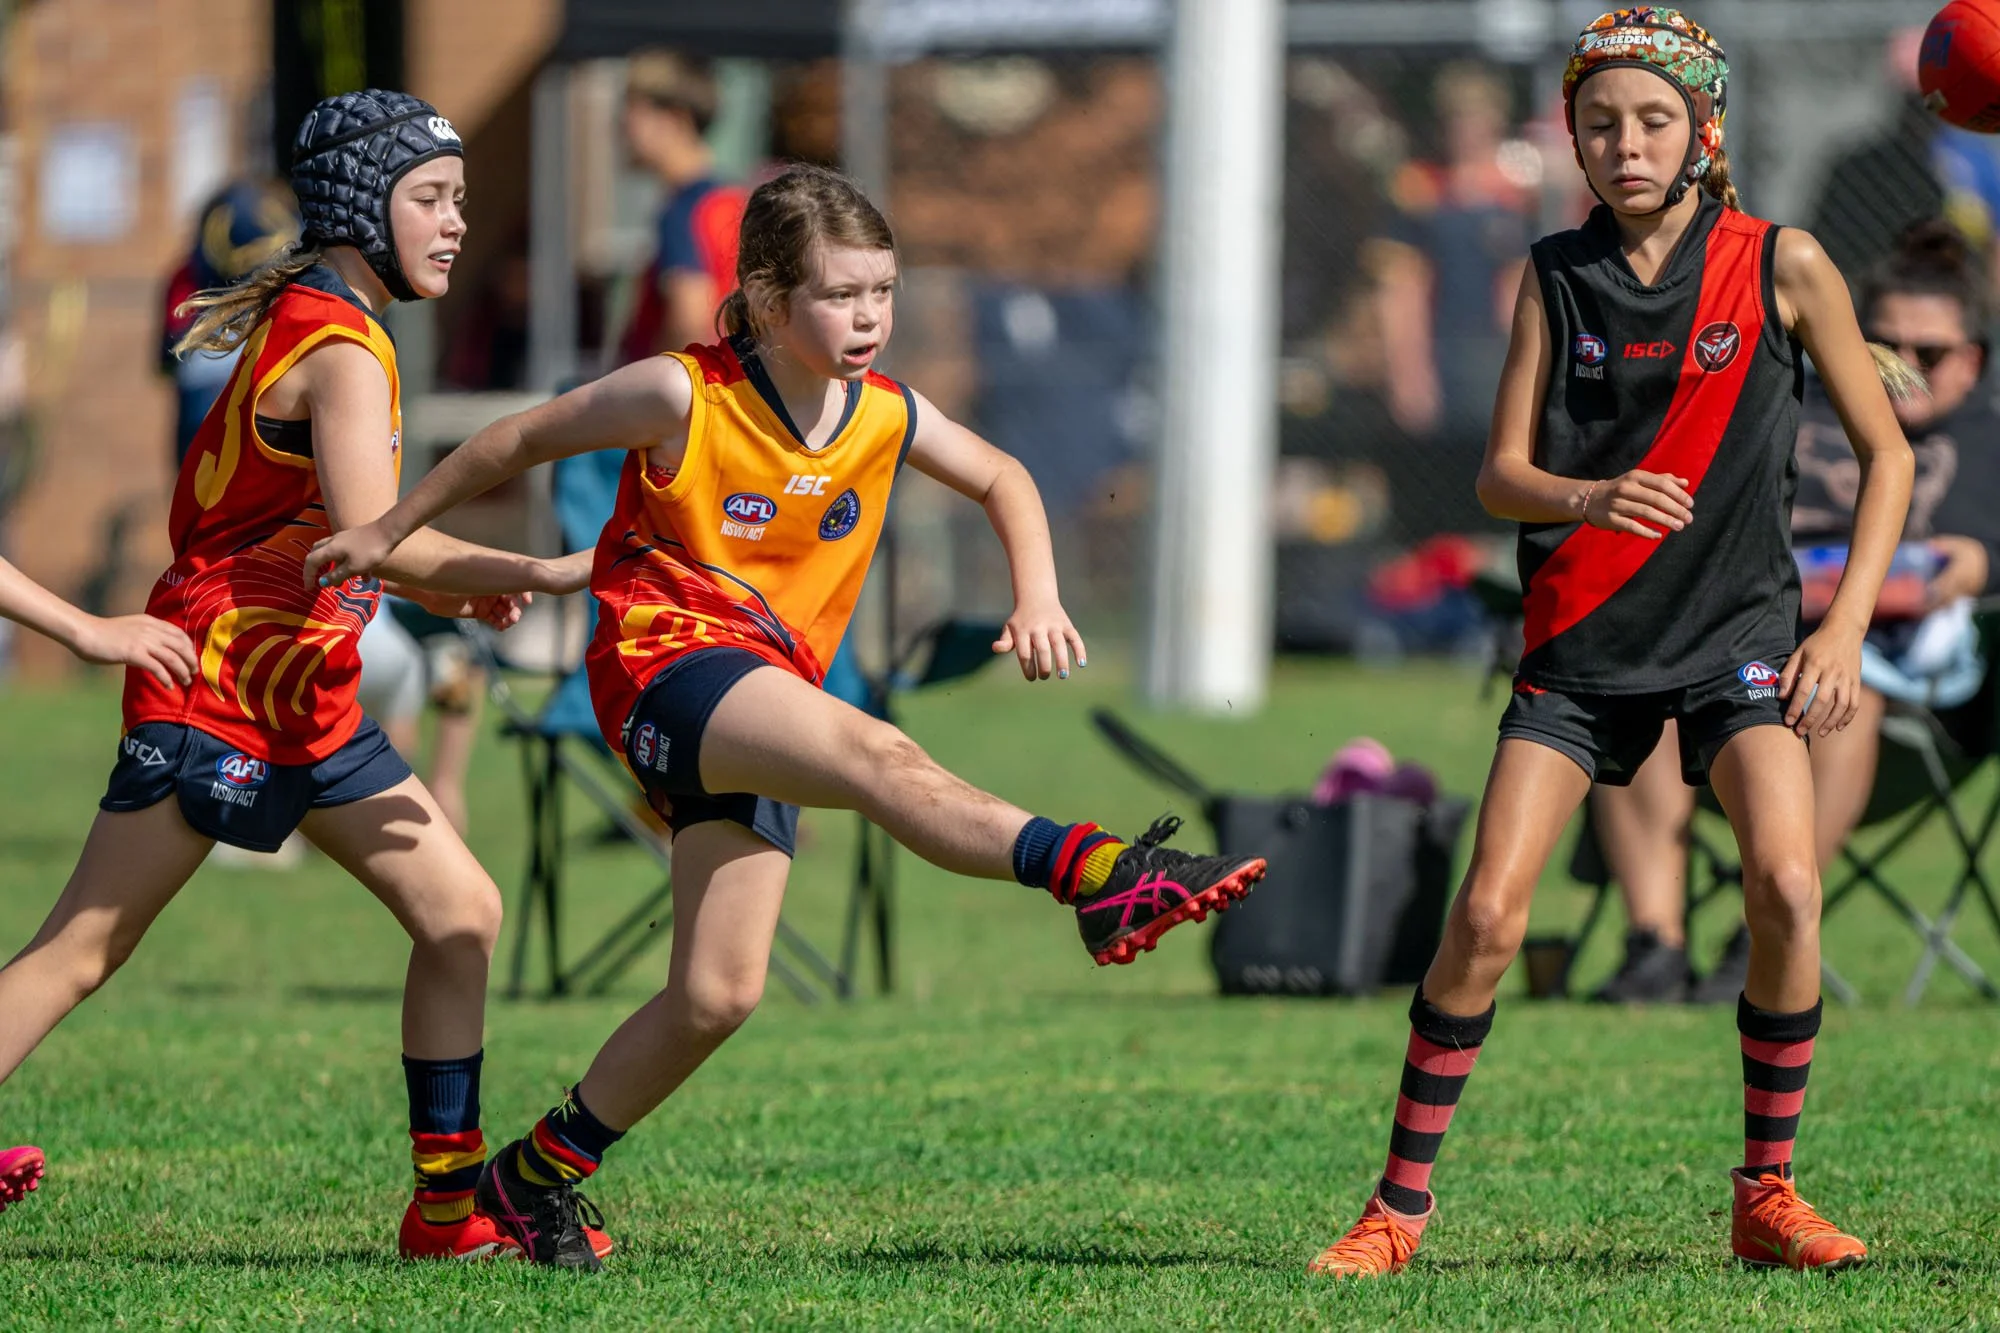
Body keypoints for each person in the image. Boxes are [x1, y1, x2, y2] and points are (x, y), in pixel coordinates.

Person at [307, 162, 1270, 1269]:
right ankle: (1098, 875)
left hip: (764, 690)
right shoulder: (682, 392)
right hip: (663, 665)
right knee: (873, 752)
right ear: (765, 300)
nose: (868, 318)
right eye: (838, 294)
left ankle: (532, 1178)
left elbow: (1002, 474)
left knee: (717, 994)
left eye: (883, 291)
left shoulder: (885, 411)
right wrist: (387, 532)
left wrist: (1038, 593)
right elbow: (514, 441)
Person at [1306, 8, 1916, 1279]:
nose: (1624, 144)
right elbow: (1498, 477)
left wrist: (1841, 629)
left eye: (1650, 120)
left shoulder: (1782, 261)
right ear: (1570, 138)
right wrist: (1587, 496)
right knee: (1481, 917)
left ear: (1704, 128)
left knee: (1788, 890)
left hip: (1736, 636)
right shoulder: (1552, 271)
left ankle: (1767, 1194)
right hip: (1581, 640)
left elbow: (1886, 452)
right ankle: (1394, 1214)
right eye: (1598, 123)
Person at [0, 91, 598, 1261]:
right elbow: (378, 538)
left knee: (461, 913)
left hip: (305, 685)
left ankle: (445, 1210)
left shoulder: (329, 318)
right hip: (219, 676)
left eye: (460, 200)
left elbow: (334, 537)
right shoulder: (340, 346)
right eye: (429, 198)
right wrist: (537, 566)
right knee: (84, 945)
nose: (455, 223)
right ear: (357, 206)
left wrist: (450, 586)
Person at [1594, 218, 2000, 1003]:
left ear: (1971, 362)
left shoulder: (1986, 438)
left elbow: (1970, 565)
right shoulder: (1788, 401)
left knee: (1844, 693)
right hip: (1734, 655)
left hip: (1902, 705)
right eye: (1885, 344)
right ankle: (1654, 942)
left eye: (1933, 354)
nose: (1905, 366)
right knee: (1638, 685)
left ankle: (1767, 932)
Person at [616, 52, 748, 366]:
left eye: (633, 111)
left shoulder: (683, 211)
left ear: (675, 119)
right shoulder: (734, 200)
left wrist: (646, 389)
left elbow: (689, 318)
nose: (622, 127)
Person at [159, 179, 301, 466]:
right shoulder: (300, 272)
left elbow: (165, 360)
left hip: (204, 399)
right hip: (268, 395)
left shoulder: (185, 275)